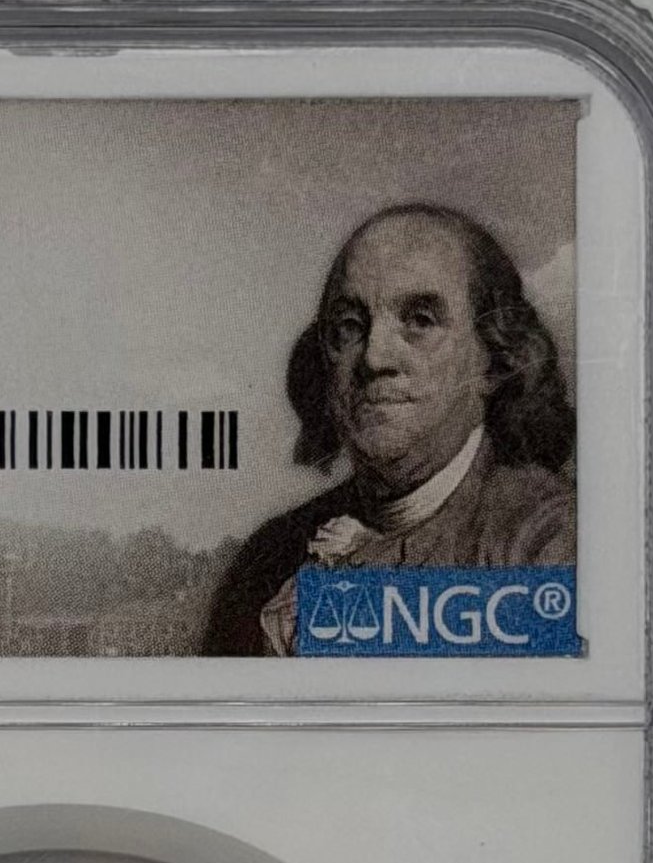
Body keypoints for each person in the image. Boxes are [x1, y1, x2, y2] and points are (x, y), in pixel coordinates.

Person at [204, 205, 577, 656]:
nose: (374, 358)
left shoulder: (547, 540)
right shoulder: (269, 559)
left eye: (420, 320)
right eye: (349, 326)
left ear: (494, 360)